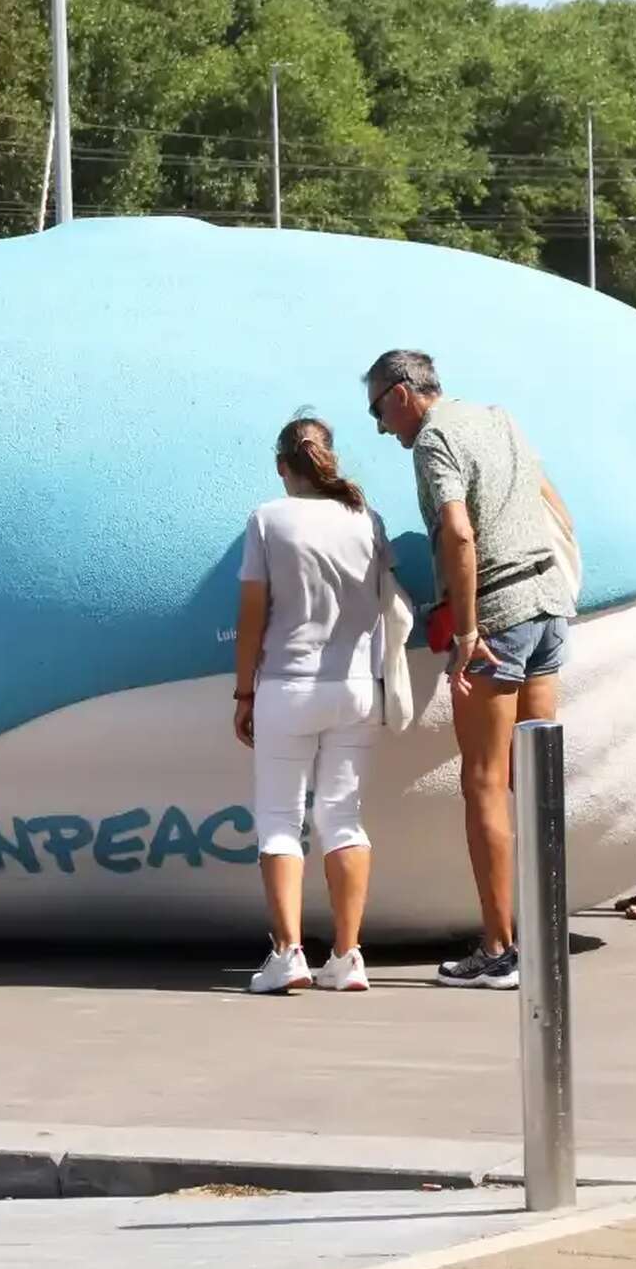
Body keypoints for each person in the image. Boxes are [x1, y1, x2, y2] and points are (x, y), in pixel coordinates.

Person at [364, 349, 579, 991]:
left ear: (403, 394)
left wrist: (464, 630)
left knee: (484, 781)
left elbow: (458, 533)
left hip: (498, 619)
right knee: (535, 779)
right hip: (547, 606)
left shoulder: (435, 439)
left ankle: (498, 948)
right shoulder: (498, 418)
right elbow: (552, 503)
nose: (381, 427)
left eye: (379, 409)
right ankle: (543, 934)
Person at [232, 416, 406, 995]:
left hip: (288, 685)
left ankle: (288, 955)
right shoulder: (366, 519)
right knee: (344, 819)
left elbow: (253, 613)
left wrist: (243, 691)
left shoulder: (268, 519)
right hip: (357, 687)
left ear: (284, 465)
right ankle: (348, 955)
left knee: (280, 822)